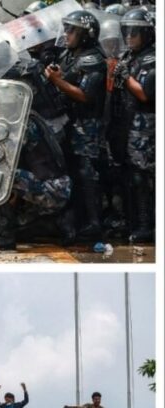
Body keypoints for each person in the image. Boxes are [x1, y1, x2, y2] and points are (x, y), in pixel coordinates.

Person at [45, 11, 107, 241]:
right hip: (69, 123)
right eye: (67, 29)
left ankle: (93, 223)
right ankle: (74, 222)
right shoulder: (70, 55)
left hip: (87, 125)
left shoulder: (93, 59)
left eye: (73, 30)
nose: (67, 34)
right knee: (71, 170)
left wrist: (57, 81)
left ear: (86, 34)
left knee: (86, 172)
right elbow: (67, 78)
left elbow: (85, 95)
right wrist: (58, 75)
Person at [111, 7, 155, 243]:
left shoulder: (152, 58)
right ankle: (130, 220)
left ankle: (146, 225)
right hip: (125, 122)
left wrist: (126, 75)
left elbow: (145, 94)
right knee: (126, 174)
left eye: (134, 33)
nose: (129, 37)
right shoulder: (129, 56)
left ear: (147, 34)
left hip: (143, 124)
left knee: (141, 176)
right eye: (126, 32)